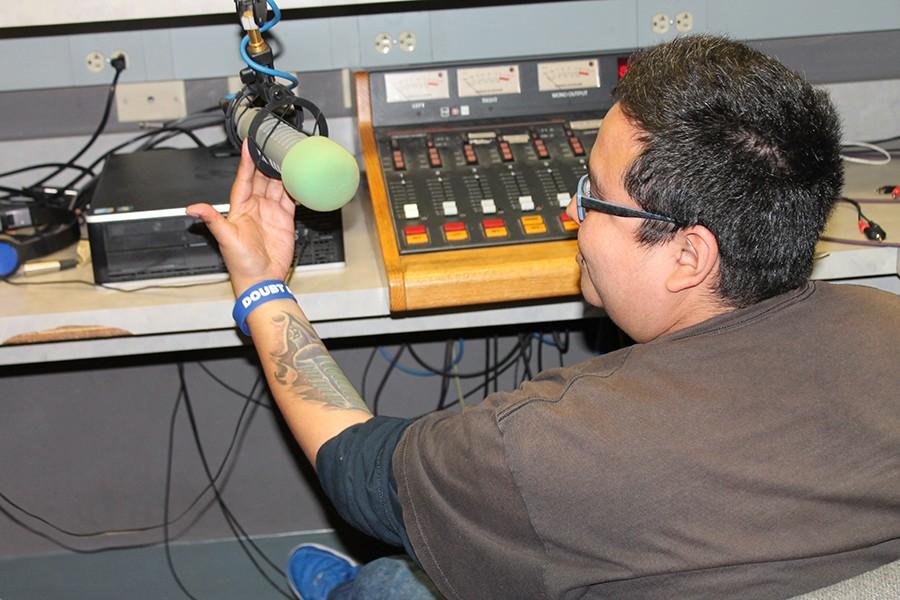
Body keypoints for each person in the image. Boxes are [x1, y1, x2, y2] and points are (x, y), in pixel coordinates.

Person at [186, 35, 900, 600]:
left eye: (592, 193)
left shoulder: (543, 448)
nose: (570, 211)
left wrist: (262, 289)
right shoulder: (886, 320)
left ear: (688, 255)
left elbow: (354, 467)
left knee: (389, 579)